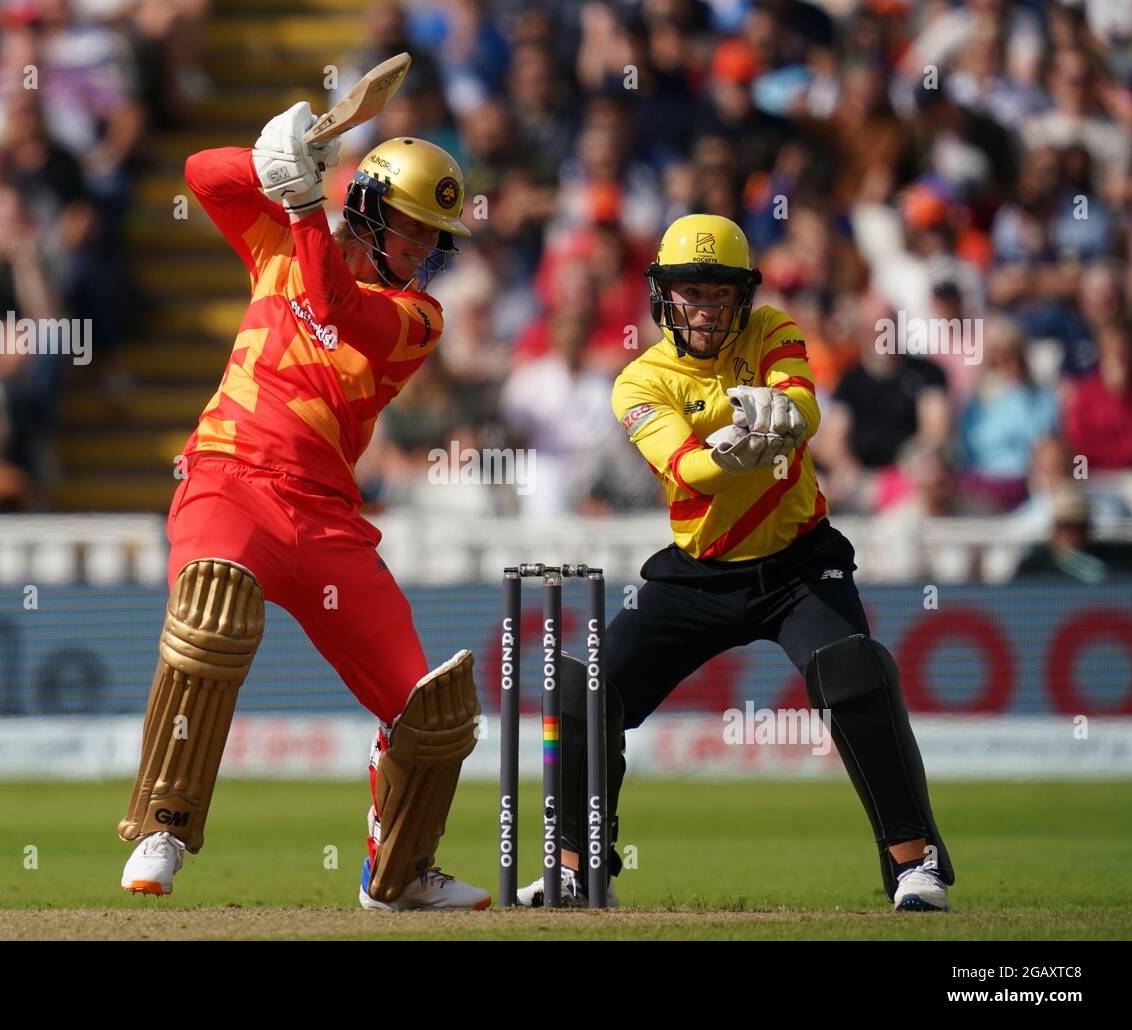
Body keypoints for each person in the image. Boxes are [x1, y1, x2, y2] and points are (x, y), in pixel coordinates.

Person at [517, 213, 955, 912]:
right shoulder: (639, 380)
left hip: (799, 563)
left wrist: (783, 417)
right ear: (662, 296)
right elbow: (684, 468)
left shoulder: (773, 329)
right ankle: (576, 868)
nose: (706, 307)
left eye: (719, 292)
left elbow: (804, 408)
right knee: (579, 692)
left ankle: (914, 864)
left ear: (742, 296)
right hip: (698, 570)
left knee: (853, 672)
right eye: (691, 292)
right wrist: (734, 446)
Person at [117, 102, 490, 911]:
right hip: (229, 481)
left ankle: (399, 874)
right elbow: (198, 175)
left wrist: (301, 200)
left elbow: (334, 307)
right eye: (412, 229)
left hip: (326, 521)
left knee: (430, 709)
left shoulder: (417, 319)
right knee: (213, 611)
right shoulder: (281, 243)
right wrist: (285, 157)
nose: (423, 250)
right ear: (369, 210)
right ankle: (163, 828)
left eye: (433, 237)